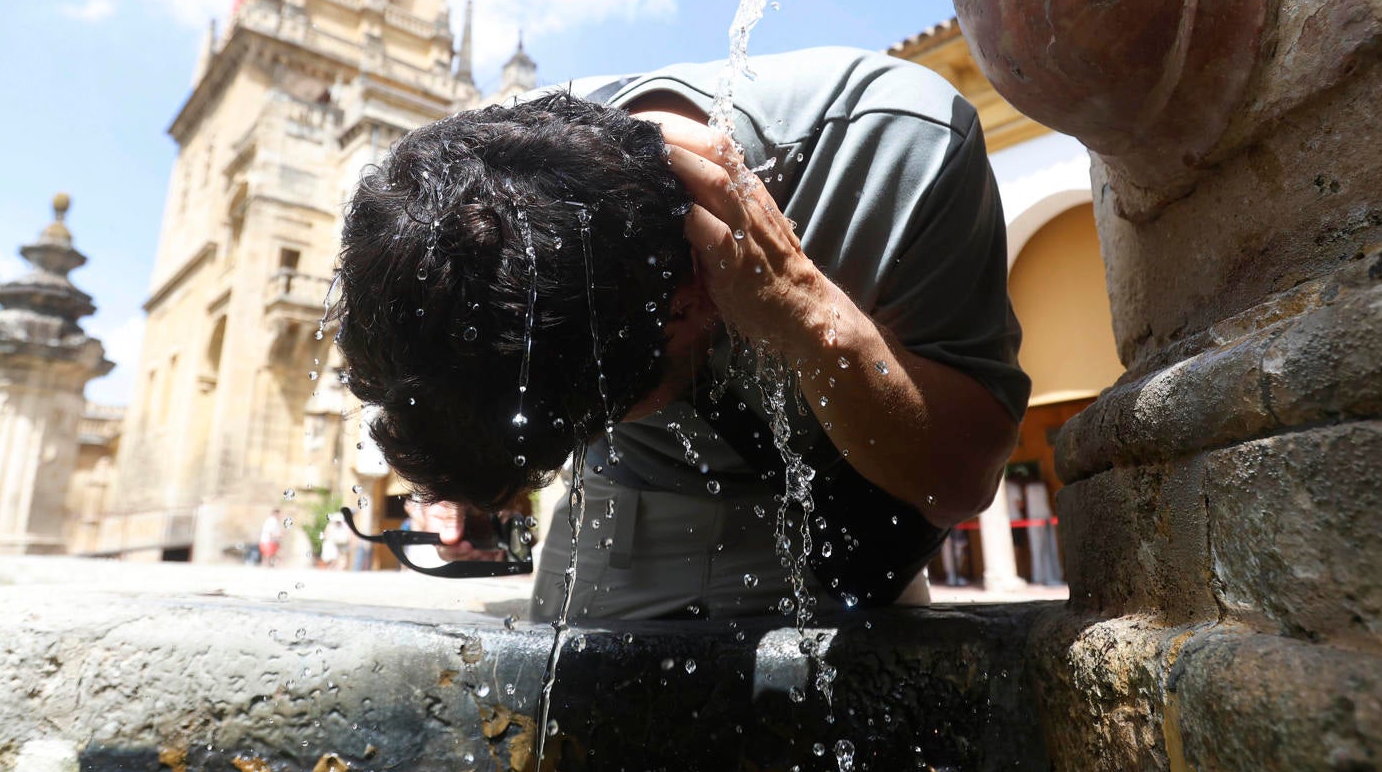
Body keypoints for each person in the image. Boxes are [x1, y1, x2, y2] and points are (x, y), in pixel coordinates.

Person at [336, 47, 1029, 620]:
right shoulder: (489, 211)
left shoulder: (899, 143)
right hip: (625, 523)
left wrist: (807, 312)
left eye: (610, 413)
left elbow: (962, 482)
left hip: (853, 537)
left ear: (687, 306)